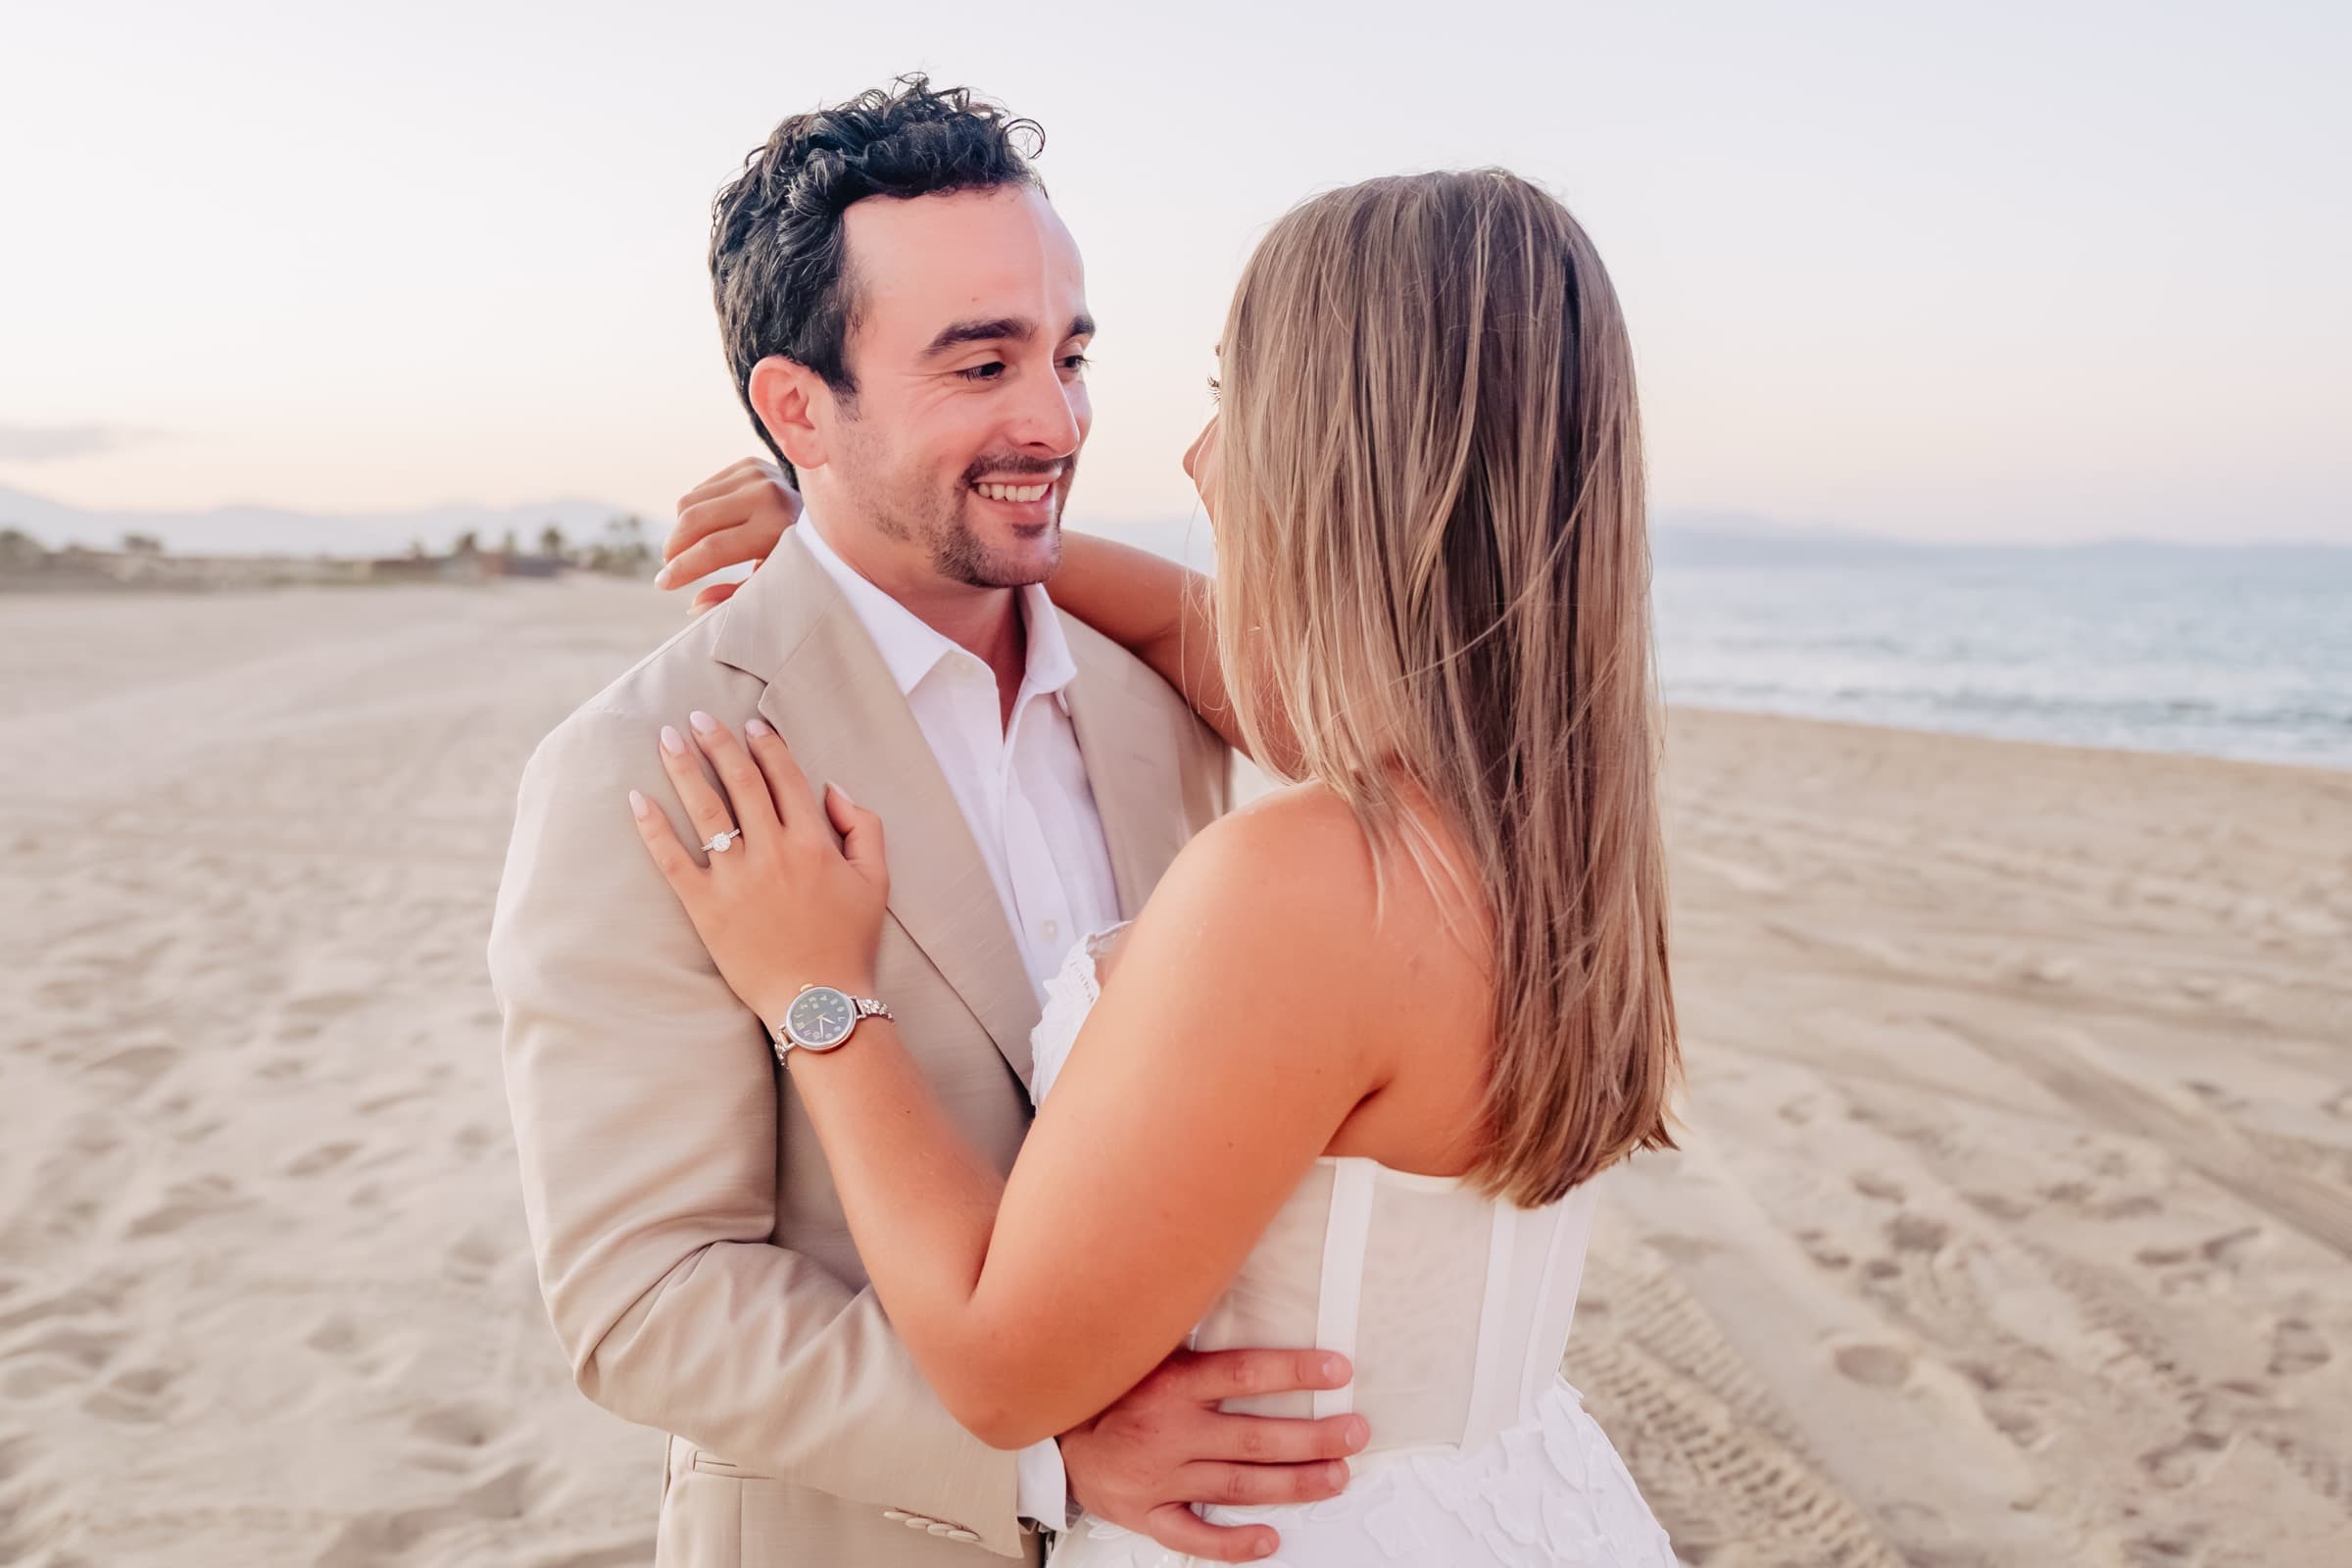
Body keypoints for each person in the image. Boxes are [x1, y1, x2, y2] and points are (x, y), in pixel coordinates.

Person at [637, 160, 1684, 1564]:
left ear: (1339, 454)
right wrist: (883, 530)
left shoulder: (1305, 883)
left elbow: (1002, 1371)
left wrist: (817, 996)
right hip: (1520, 1504)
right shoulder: (1544, 821)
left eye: (1230, 397)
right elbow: (1222, 646)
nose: (1198, 459)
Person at [488, 78, 1369, 1568]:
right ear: (796, 410)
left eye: (1067, 354)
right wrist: (1045, 1454)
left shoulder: (1163, 708)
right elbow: (644, 1297)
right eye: (979, 365)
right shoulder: (641, 764)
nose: (1055, 419)